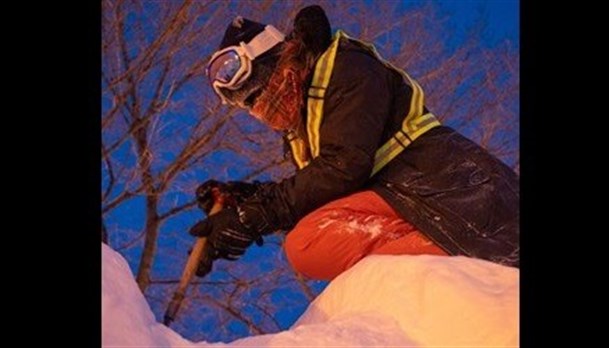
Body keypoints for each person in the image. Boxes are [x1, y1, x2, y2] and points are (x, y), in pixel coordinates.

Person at [189, 5, 519, 281]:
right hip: (406, 197)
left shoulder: (346, 68)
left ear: (279, 61)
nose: (259, 108)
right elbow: (321, 188)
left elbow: (344, 167)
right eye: (248, 104)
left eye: (259, 91)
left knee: (308, 243)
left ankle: (455, 255)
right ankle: (431, 264)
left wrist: (260, 212)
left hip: (455, 194)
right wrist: (248, 201)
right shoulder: (304, 124)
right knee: (310, 241)